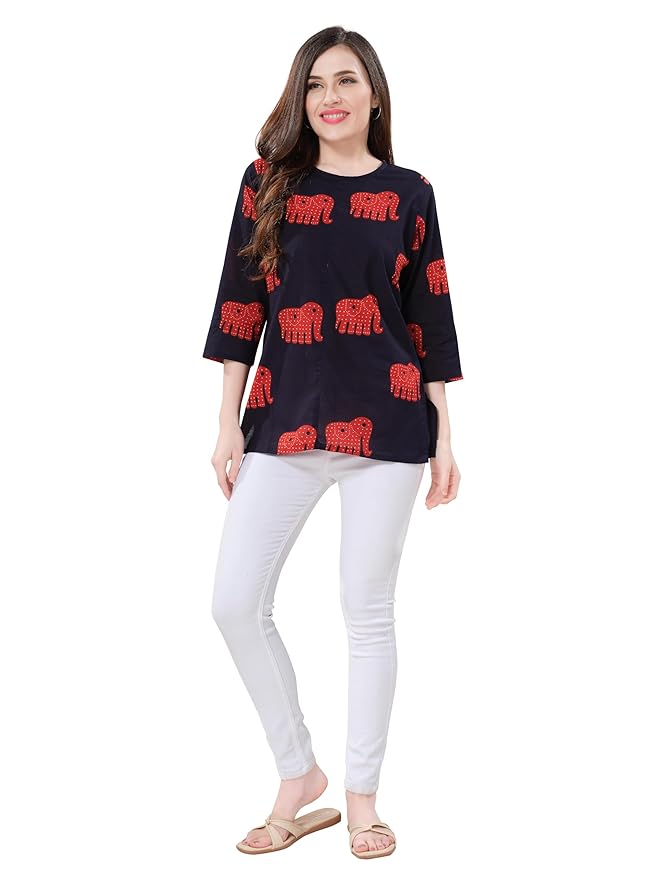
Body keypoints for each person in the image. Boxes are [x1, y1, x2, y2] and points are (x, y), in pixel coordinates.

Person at [203, 25, 463, 859]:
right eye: (314, 84)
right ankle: (298, 772)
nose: (329, 97)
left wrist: (445, 435)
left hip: (388, 426)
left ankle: (361, 798)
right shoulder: (267, 182)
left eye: (346, 80)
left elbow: (429, 316)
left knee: (367, 610)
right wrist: (226, 422)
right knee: (234, 601)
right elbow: (239, 303)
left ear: (373, 94)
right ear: (300, 97)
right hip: (281, 418)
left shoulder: (410, 193)